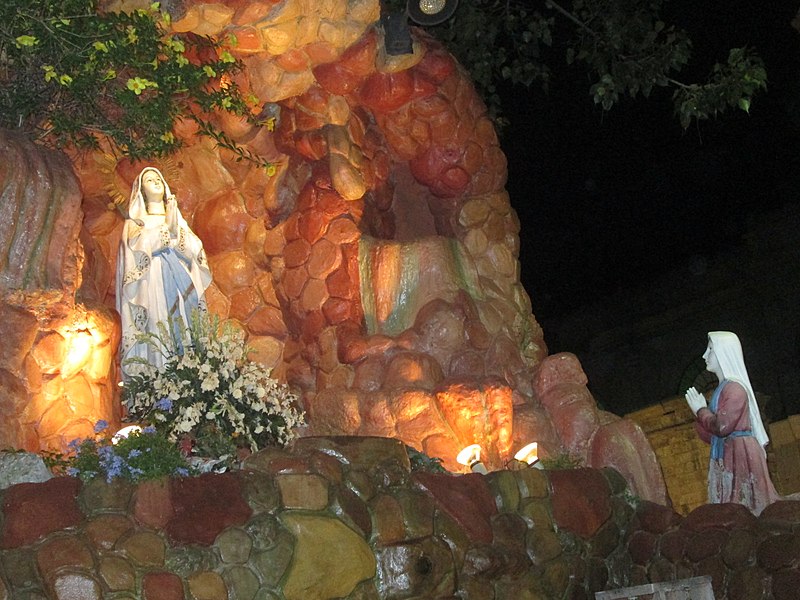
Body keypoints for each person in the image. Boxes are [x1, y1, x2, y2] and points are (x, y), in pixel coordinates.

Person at [116, 167, 212, 378]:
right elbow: (137, 251)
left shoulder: (178, 220)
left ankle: (189, 379)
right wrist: (166, 231)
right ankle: (161, 380)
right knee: (158, 325)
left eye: (158, 178)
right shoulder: (135, 224)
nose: (156, 182)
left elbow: (195, 250)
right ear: (141, 191)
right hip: (153, 286)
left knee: (186, 325)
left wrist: (174, 229)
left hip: (180, 284)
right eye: (149, 180)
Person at [685, 331, 779, 515]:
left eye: (710, 349)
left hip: (740, 454)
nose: (705, 355)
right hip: (727, 452)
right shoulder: (723, 390)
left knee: (746, 507)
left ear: (723, 352)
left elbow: (722, 427)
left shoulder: (735, 388)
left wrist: (701, 411)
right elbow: (712, 434)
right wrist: (700, 415)